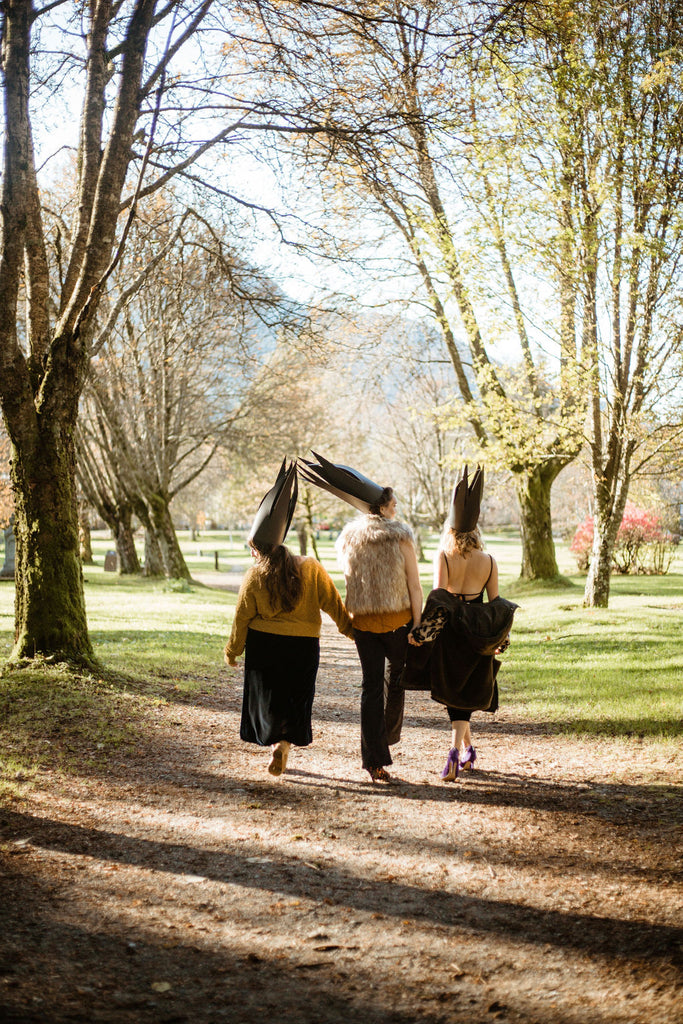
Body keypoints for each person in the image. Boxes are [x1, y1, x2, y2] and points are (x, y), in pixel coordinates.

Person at [224, 459, 353, 777]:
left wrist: (233, 651)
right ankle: (283, 747)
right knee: (295, 700)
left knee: (269, 702)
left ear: (257, 549)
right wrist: (353, 631)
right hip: (303, 646)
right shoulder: (310, 567)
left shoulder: (254, 575)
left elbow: (242, 617)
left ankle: (274, 746)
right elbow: (334, 604)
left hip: (264, 648)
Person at [299, 452, 423, 783]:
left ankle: (373, 761)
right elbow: (414, 583)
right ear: (381, 507)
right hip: (397, 623)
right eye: (392, 502)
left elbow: (350, 578)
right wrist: (419, 623)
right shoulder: (401, 534)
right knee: (395, 682)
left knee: (371, 688)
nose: (395, 506)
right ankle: (386, 742)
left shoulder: (348, 539)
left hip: (364, 624)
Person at [404, 465, 517, 781]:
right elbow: (494, 604)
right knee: (462, 695)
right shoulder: (490, 560)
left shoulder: (443, 555)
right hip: (478, 631)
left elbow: (441, 599)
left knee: (456, 694)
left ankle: (453, 753)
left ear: (451, 529)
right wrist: (497, 639)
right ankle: (467, 751)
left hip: (452, 631)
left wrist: (423, 633)